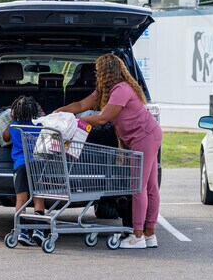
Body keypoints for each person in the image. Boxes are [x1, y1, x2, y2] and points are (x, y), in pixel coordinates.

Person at [56, 54, 162, 249]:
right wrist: (61, 112)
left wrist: (75, 121)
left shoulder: (121, 90)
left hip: (145, 136)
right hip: (143, 136)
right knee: (148, 186)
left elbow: (103, 119)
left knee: (139, 186)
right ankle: (149, 235)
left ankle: (138, 235)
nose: (96, 74)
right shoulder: (105, 90)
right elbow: (80, 105)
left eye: (98, 71)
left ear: (106, 72)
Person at [3, 95, 46, 247]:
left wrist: (11, 119)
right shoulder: (39, 126)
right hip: (37, 165)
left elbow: (5, 138)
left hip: (20, 166)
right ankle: (39, 231)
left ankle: (22, 232)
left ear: (15, 113)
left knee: (21, 199)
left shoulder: (13, 126)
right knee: (38, 197)